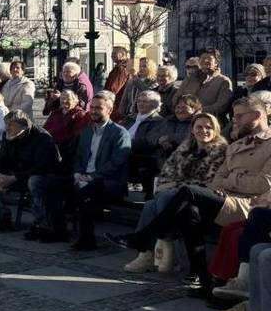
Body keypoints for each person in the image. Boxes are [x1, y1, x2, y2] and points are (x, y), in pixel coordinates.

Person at [114, 92, 271, 295]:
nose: (235, 120)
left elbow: (263, 183)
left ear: (257, 115)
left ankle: (144, 238)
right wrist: (231, 181)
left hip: (250, 204)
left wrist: (231, 181)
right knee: (188, 211)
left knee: (187, 193)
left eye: (240, 116)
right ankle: (202, 277)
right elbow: (217, 179)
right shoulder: (238, 145)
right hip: (225, 198)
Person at [122, 113, 227, 273]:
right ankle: (153, 252)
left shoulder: (221, 151)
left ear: (216, 130)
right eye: (199, 127)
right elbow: (166, 175)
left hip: (202, 200)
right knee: (152, 203)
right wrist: (173, 185)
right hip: (176, 197)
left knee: (165, 197)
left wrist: (176, 185)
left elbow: (209, 183)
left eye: (209, 127)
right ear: (192, 129)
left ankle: (151, 251)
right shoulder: (184, 148)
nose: (204, 131)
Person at [39, 92, 131, 250]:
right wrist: (77, 173)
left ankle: (87, 238)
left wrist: (92, 177)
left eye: (99, 108)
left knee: (83, 190)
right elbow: (79, 158)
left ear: (109, 110)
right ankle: (59, 230)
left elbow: (116, 163)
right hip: (83, 177)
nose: (94, 111)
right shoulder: (87, 132)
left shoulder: (119, 133)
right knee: (49, 184)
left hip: (108, 182)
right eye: (92, 107)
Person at [0, 112, 61, 236]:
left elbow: (42, 167)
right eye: (6, 124)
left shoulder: (42, 137)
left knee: (34, 181)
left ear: (23, 127)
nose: (7, 128)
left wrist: (14, 178)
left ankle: (40, 225)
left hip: (41, 175)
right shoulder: (9, 135)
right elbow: (1, 159)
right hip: (17, 174)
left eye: (11, 125)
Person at [125, 89, 168, 199]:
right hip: (122, 150)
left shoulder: (158, 121)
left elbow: (148, 141)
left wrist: (123, 144)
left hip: (140, 155)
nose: (140, 104)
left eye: (144, 101)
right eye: (139, 101)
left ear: (154, 105)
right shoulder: (131, 118)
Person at [179, 48, 233, 120]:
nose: (205, 61)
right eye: (202, 58)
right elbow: (177, 98)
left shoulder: (223, 81)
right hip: (185, 122)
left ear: (216, 62)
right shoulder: (189, 79)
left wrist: (197, 111)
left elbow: (221, 106)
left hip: (210, 123)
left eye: (209, 58)